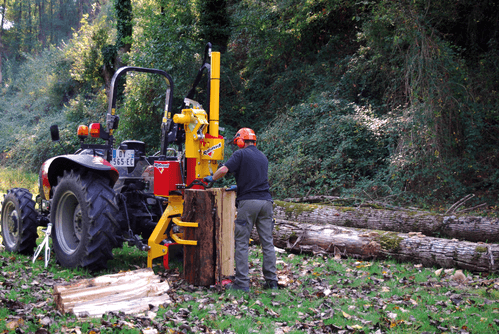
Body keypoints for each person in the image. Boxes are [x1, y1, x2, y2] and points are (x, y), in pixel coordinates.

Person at [204, 128, 278, 292]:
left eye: (237, 143)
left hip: (249, 203)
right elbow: (256, 179)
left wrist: (212, 178)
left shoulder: (240, 154)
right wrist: (240, 186)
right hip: (266, 202)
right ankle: (272, 282)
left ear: (240, 141)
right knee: (267, 243)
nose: (237, 146)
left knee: (242, 243)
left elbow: (223, 170)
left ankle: (242, 284)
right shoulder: (262, 157)